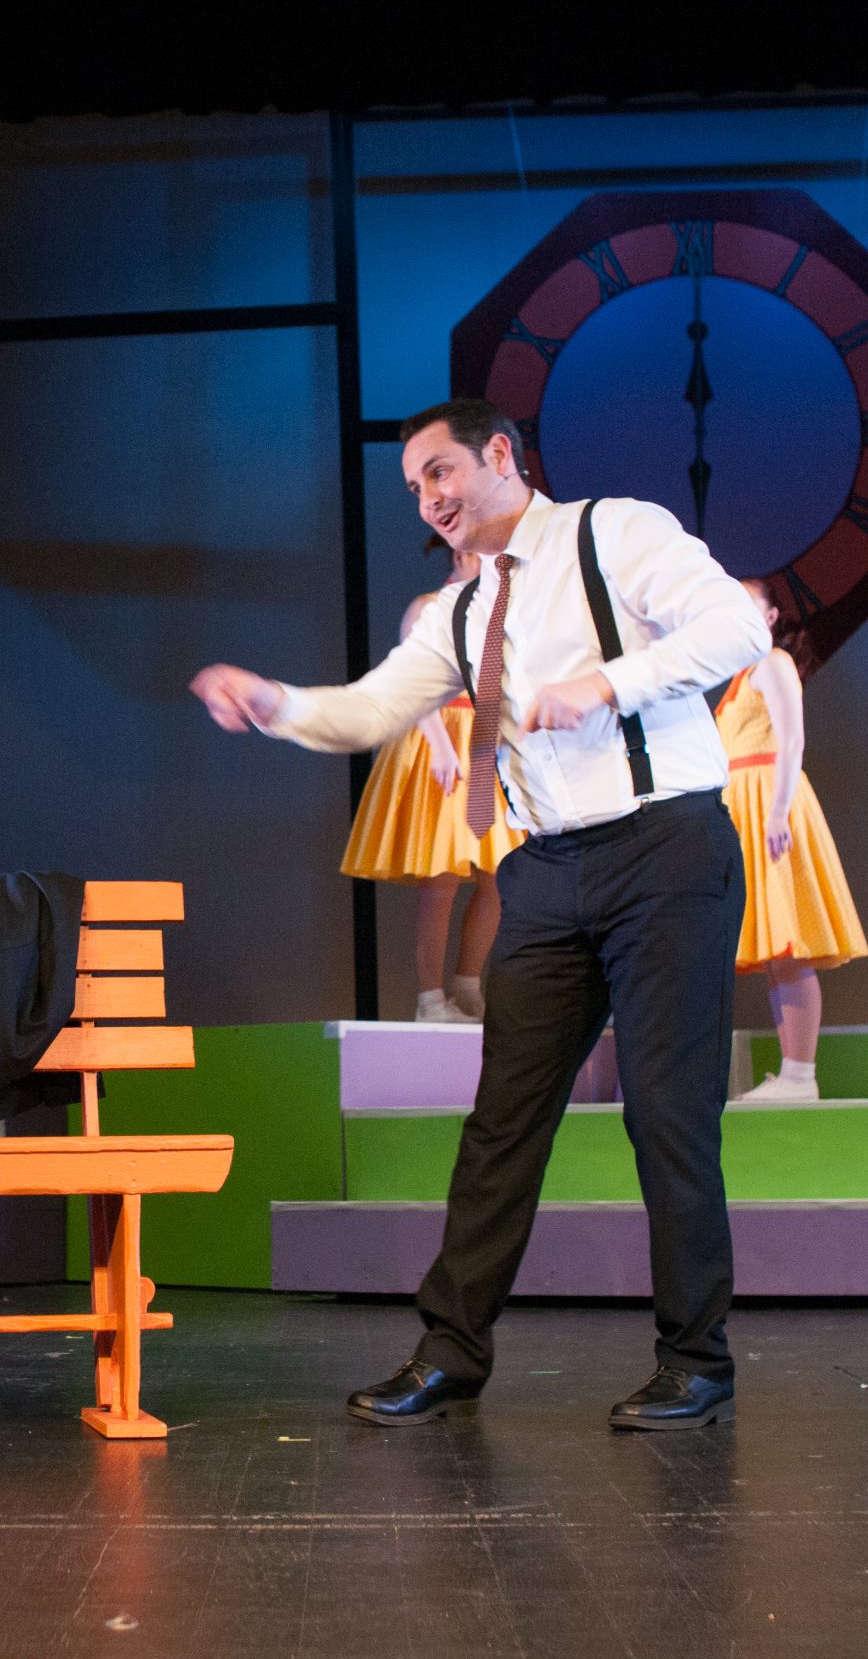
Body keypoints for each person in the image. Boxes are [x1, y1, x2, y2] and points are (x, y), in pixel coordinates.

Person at [190, 400, 768, 1432]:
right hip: (545, 872)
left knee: (668, 1116)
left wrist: (607, 684)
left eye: (440, 471)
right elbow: (372, 708)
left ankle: (696, 1360)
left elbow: (736, 625)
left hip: (664, 849)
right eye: (414, 486)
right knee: (502, 1122)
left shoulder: (612, 531)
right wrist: (273, 701)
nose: (429, 498)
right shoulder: (460, 612)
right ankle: (450, 1352)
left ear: (500, 454)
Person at [338, 546, 525, 1023]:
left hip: (482, 746)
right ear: (463, 555)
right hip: (437, 739)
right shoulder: (427, 608)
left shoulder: (493, 617)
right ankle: (430, 999)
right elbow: (412, 686)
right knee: (441, 876)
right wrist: (441, 745)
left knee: (498, 875)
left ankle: (467, 987)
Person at [719, 579, 868, 1103]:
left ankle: (801, 1076)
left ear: (770, 617)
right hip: (744, 806)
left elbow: (792, 739)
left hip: (769, 803)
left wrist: (779, 811)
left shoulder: (773, 663)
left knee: (787, 942)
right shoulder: (739, 674)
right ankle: (793, 1075)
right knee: (775, 951)